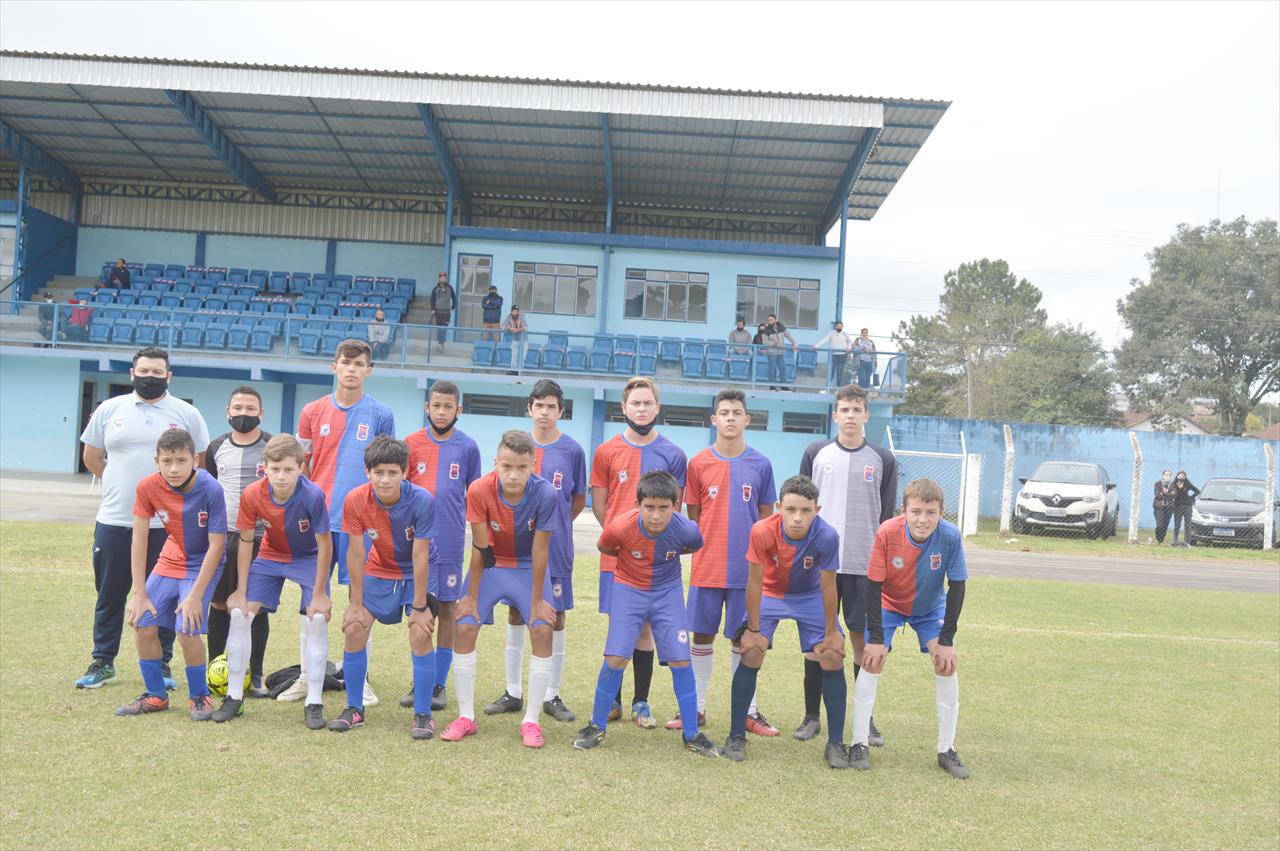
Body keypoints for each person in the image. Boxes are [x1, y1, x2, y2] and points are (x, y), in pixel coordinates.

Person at [76, 347, 210, 690]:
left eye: (157, 372)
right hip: (116, 517)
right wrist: (120, 484)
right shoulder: (110, 409)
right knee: (110, 592)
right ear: (132, 373)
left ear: (169, 376)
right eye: (144, 371)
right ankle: (103, 661)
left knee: (162, 595)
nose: (150, 377)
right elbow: (92, 457)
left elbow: (200, 463)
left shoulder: (187, 413)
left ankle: (163, 664)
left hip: (169, 525)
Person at [572, 471, 720, 757]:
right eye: (649, 507)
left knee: (680, 658)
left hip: (668, 593)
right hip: (629, 589)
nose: (656, 515)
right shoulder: (620, 527)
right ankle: (596, 726)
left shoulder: (686, 529)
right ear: (638, 504)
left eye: (664, 508)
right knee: (616, 657)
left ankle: (692, 734)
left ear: (674, 506)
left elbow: (694, 545)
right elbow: (605, 546)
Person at [290, 339, 395, 706]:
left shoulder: (381, 415)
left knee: (360, 601)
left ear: (369, 370)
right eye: (345, 362)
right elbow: (301, 465)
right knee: (311, 599)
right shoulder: (312, 411)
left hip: (361, 524)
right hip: (318, 522)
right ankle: (307, 675)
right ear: (334, 366)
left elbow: (385, 470)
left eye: (359, 363)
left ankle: (358, 677)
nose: (352, 369)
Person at [439, 431, 559, 748]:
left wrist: (535, 602)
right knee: (463, 625)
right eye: (506, 466)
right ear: (496, 464)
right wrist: (471, 598)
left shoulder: (546, 494)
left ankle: (531, 721)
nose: (513, 474)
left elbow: (540, 551)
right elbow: (481, 548)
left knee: (543, 629)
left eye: (521, 467)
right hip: (492, 563)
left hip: (526, 566)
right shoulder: (479, 490)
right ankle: (466, 716)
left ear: (534, 465)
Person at [312, 436, 438, 737]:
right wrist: (355, 604)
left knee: (420, 633)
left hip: (418, 572)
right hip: (379, 568)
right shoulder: (356, 499)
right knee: (354, 628)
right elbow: (355, 553)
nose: (385, 479)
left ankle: (423, 714)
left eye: (393, 472)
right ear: (368, 472)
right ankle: (354, 708)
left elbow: (420, 554)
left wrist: (420, 607)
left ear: (405, 472)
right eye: (378, 472)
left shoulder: (422, 500)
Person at [794, 382, 897, 743]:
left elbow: (885, 519)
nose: (850, 416)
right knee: (818, 640)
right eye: (844, 410)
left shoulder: (883, 459)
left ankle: (865, 719)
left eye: (857, 410)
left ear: (866, 415)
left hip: (863, 567)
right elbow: (801, 507)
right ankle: (811, 717)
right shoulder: (816, 452)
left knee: (859, 641)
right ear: (834, 415)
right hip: (820, 565)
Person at [724, 475, 847, 767]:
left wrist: (831, 632)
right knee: (751, 651)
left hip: (810, 595)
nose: (797, 517)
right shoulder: (762, 531)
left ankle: (836, 743)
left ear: (817, 510)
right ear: (779, 506)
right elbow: (753, 582)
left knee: (832, 655)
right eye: (791, 509)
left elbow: (829, 587)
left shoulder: (827, 536)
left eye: (805, 511)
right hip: (770, 592)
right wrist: (753, 629)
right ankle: (736, 734)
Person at [852, 478, 970, 779]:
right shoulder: (887, 532)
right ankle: (858, 742)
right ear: (903, 510)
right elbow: (873, 586)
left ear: (942, 512)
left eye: (930, 512)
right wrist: (877, 638)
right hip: (889, 604)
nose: (923, 519)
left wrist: (947, 639)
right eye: (916, 511)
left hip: (929, 608)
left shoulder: (950, 536)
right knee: (872, 659)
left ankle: (947, 749)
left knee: (946, 664)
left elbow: (957, 587)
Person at [674, 389, 777, 735]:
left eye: (736, 412)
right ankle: (697, 707)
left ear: (747, 420)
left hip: (746, 572)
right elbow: (694, 518)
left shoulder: (761, 464)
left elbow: (766, 521)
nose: (730, 417)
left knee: (744, 639)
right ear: (713, 419)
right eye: (724, 412)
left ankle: (748, 710)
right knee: (701, 637)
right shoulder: (698, 463)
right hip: (708, 566)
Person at [590, 376, 688, 728]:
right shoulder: (606, 452)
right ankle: (612, 701)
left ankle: (641, 701)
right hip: (617, 556)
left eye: (648, 403)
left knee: (645, 629)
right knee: (621, 626)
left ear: (657, 408)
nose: (642, 409)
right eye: (635, 403)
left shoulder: (674, 454)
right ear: (624, 407)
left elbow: (674, 510)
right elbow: (601, 506)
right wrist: (622, 538)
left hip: (657, 559)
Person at [214, 435, 332, 727]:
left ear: (301, 468)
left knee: (316, 619)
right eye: (275, 468)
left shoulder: (313, 495)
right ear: (264, 467)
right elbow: (244, 540)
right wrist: (240, 591)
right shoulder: (253, 494)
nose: (281, 475)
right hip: (270, 556)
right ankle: (234, 698)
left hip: (308, 558)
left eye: (288, 470)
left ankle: (314, 702)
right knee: (240, 614)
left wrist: (319, 592)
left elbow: (325, 544)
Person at [489, 380, 586, 723]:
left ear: (561, 411)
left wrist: (552, 525)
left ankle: (552, 694)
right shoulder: (514, 447)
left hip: (556, 548)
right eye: (539, 405)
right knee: (516, 613)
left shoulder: (573, 451)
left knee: (554, 616)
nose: (545, 412)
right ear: (529, 408)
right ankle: (513, 691)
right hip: (516, 549)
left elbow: (577, 500)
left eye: (552, 406)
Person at [116, 429, 226, 720]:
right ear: (157, 461)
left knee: (186, 628)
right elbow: (139, 539)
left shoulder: (211, 488)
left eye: (181, 460)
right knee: (142, 622)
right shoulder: (147, 487)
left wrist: (195, 596)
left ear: (195, 459)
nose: (174, 468)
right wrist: (138, 593)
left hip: (203, 562)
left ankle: (199, 696)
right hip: (170, 559)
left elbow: (217, 546)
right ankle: (155, 695)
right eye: (167, 461)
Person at [400, 380, 482, 712]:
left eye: (448, 406)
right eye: (436, 405)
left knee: (447, 608)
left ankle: (438, 684)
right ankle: (420, 677)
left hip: (449, 542)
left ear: (458, 410)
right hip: (416, 543)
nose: (442, 411)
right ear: (427, 408)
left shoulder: (469, 448)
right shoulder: (411, 444)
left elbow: (475, 498)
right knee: (419, 609)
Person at [204, 387, 273, 699]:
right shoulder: (215, 447)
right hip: (225, 535)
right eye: (238, 407)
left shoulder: (272, 446)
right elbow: (208, 488)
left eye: (250, 408)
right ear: (227, 412)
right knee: (220, 603)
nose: (243, 413)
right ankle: (215, 668)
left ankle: (255, 673)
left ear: (261, 413)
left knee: (255, 608)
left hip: (261, 537)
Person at [762, 313, 797, 391]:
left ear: (775, 320)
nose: (769, 321)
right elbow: (765, 342)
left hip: (781, 352)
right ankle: (772, 387)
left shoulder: (781, 327)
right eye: (768, 320)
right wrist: (774, 343)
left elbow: (788, 335)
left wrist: (793, 343)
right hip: (771, 353)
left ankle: (783, 387)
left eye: (771, 320)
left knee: (782, 369)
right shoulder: (766, 330)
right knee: (772, 370)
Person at [813, 321, 853, 388]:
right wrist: (816, 346)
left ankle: (838, 388)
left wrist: (849, 348)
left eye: (841, 326)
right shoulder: (832, 332)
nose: (840, 327)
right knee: (831, 371)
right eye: (838, 326)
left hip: (843, 355)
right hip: (834, 355)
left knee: (839, 372)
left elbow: (850, 342)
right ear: (835, 326)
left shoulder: (844, 333)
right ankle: (826, 388)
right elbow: (825, 340)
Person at [1169, 470, 1200, 547]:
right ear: (1177, 476)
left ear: (1185, 477)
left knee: (1187, 525)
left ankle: (1187, 542)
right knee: (1177, 524)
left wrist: (1190, 497)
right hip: (1177, 506)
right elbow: (1169, 491)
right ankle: (1175, 541)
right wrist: (1175, 485)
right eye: (1180, 476)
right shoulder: (1174, 484)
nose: (1181, 478)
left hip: (1187, 506)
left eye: (1183, 476)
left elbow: (1197, 491)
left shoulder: (1187, 483)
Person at [429, 272, 456, 352]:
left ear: (446, 279)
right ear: (439, 278)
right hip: (438, 311)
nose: (443, 279)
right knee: (439, 328)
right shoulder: (435, 288)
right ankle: (440, 343)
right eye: (441, 278)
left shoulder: (450, 288)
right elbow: (432, 299)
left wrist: (453, 307)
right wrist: (433, 309)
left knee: (444, 328)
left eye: (444, 278)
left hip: (447, 312)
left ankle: (441, 344)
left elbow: (454, 298)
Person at [1152, 469, 1176, 545]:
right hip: (1159, 507)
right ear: (1163, 475)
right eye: (1166, 475)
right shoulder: (1157, 484)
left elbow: (1174, 494)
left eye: (1169, 475)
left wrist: (1164, 493)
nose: (1168, 476)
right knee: (1160, 524)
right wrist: (1169, 493)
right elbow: (1157, 495)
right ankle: (1158, 538)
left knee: (1165, 524)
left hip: (1169, 508)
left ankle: (1161, 541)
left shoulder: (1173, 484)